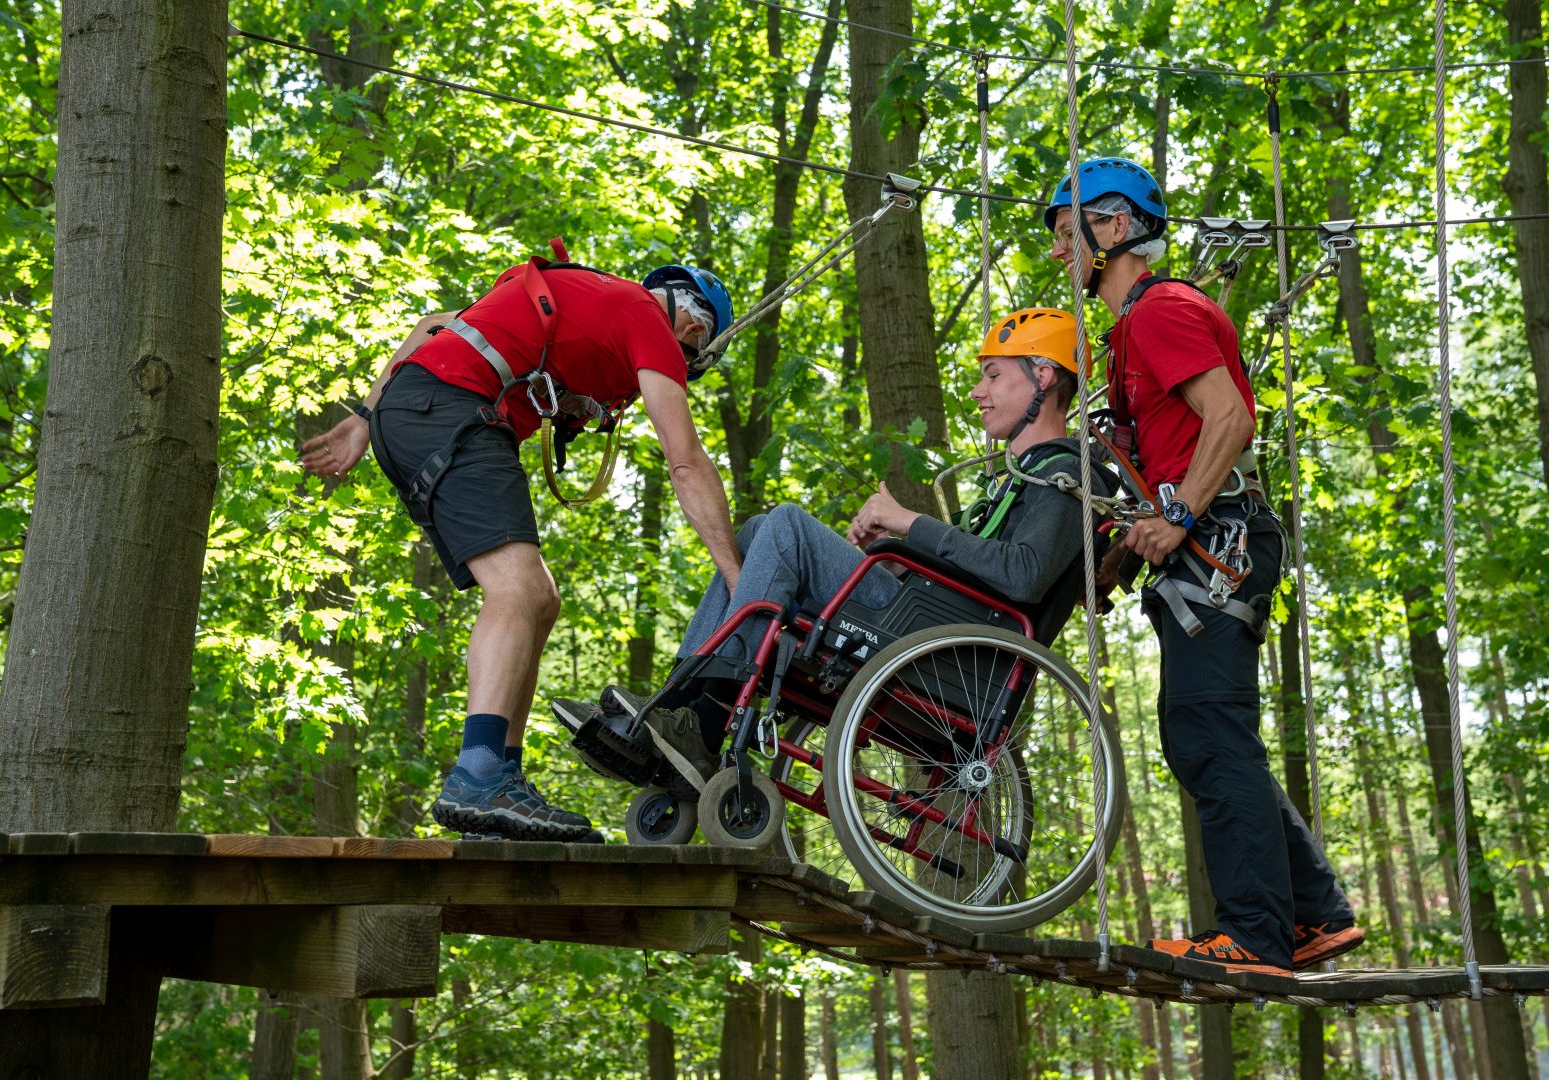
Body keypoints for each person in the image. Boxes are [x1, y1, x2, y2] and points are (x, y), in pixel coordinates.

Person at [557, 307, 1113, 786]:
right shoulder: (1019, 477)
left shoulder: (1067, 472)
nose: (977, 391)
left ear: (1043, 375)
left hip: (954, 655)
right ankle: (677, 708)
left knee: (788, 526)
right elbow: (968, 566)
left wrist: (909, 522)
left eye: (993, 376)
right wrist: (898, 539)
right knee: (752, 536)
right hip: (927, 621)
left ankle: (703, 721)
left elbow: (1023, 576)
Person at [300, 250, 743, 841]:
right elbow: (686, 462)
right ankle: (478, 775)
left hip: (426, 407)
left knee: (541, 599)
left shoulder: (591, 298)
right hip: (454, 410)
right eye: (689, 361)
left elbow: (435, 324)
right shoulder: (647, 321)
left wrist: (365, 416)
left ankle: (498, 778)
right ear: (693, 329)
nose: (677, 368)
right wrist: (738, 577)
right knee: (519, 591)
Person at [1044, 156, 1360, 976]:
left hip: (1219, 539)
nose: (1055, 251)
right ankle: (1313, 915)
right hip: (1208, 541)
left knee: (1206, 731)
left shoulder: (1162, 311)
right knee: (1205, 735)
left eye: (1062, 229)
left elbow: (1230, 419)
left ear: (1112, 227)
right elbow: (1164, 457)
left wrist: (1180, 516)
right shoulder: (1132, 334)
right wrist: (1117, 556)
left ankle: (1257, 935)